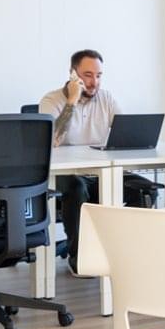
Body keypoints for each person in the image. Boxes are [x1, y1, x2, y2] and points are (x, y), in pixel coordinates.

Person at [38, 49, 122, 276]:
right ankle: (80, 258)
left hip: (100, 172)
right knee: (76, 188)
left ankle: (126, 257)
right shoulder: (51, 100)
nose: (94, 82)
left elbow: (124, 136)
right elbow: (53, 140)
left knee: (135, 187)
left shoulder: (107, 99)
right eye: (87, 75)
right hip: (63, 176)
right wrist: (72, 101)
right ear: (73, 74)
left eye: (98, 75)